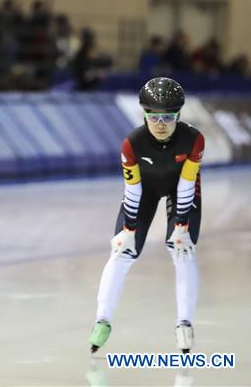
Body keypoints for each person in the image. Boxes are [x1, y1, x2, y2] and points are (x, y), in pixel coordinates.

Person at [89, 77, 204, 354]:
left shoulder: (193, 139)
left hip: (181, 190)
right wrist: (128, 230)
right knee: (120, 252)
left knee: (182, 249)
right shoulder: (132, 143)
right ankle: (102, 321)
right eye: (154, 117)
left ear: (178, 115)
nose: (161, 124)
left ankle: (184, 325)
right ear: (144, 114)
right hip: (145, 191)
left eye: (169, 116)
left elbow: (187, 184)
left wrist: (181, 225)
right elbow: (133, 190)